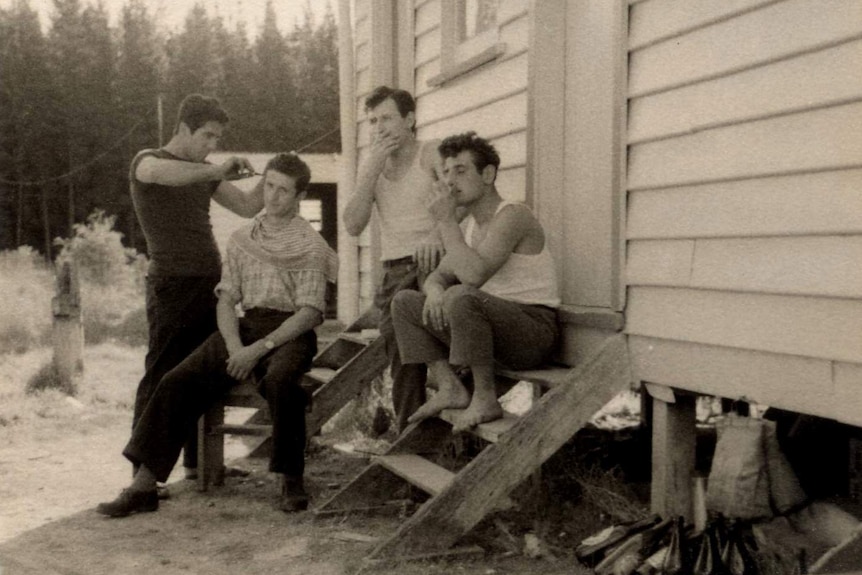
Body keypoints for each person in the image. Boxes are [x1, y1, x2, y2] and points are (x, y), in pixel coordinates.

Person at [97, 152, 338, 517]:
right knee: (177, 380)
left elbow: (309, 313)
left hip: (290, 333)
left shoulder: (311, 245)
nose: (272, 197)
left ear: (299, 196)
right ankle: (144, 485)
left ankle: (291, 477)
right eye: (268, 186)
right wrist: (234, 346)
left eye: (283, 191)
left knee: (281, 382)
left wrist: (256, 350)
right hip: (244, 328)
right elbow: (226, 300)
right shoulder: (243, 238)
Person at [130, 94, 265, 479]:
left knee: (202, 374)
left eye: (217, 139)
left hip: (211, 284)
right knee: (162, 374)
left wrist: (273, 176)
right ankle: (143, 475)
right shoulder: (148, 160)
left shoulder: (203, 170)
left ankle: (196, 464)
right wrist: (215, 170)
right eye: (206, 136)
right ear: (183, 128)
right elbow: (161, 174)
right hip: (171, 285)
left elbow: (245, 206)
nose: (211, 146)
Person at [391, 132, 560, 432]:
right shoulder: (469, 225)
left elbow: (473, 276)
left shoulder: (513, 215)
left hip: (532, 332)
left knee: (464, 296)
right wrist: (434, 292)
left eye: (461, 170)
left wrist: (445, 221)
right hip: (490, 330)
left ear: (488, 174)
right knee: (405, 302)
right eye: (446, 172)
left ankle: (485, 399)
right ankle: (450, 386)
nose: (450, 181)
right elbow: (438, 277)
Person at [343, 86, 446, 432]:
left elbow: (460, 200)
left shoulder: (430, 154)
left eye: (387, 118)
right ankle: (410, 433)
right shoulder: (372, 167)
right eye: (372, 121)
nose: (379, 128)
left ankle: (434, 426)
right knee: (401, 357)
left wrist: (437, 234)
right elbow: (353, 224)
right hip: (394, 271)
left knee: (426, 343)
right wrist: (370, 171)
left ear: (410, 119)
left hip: (436, 264)